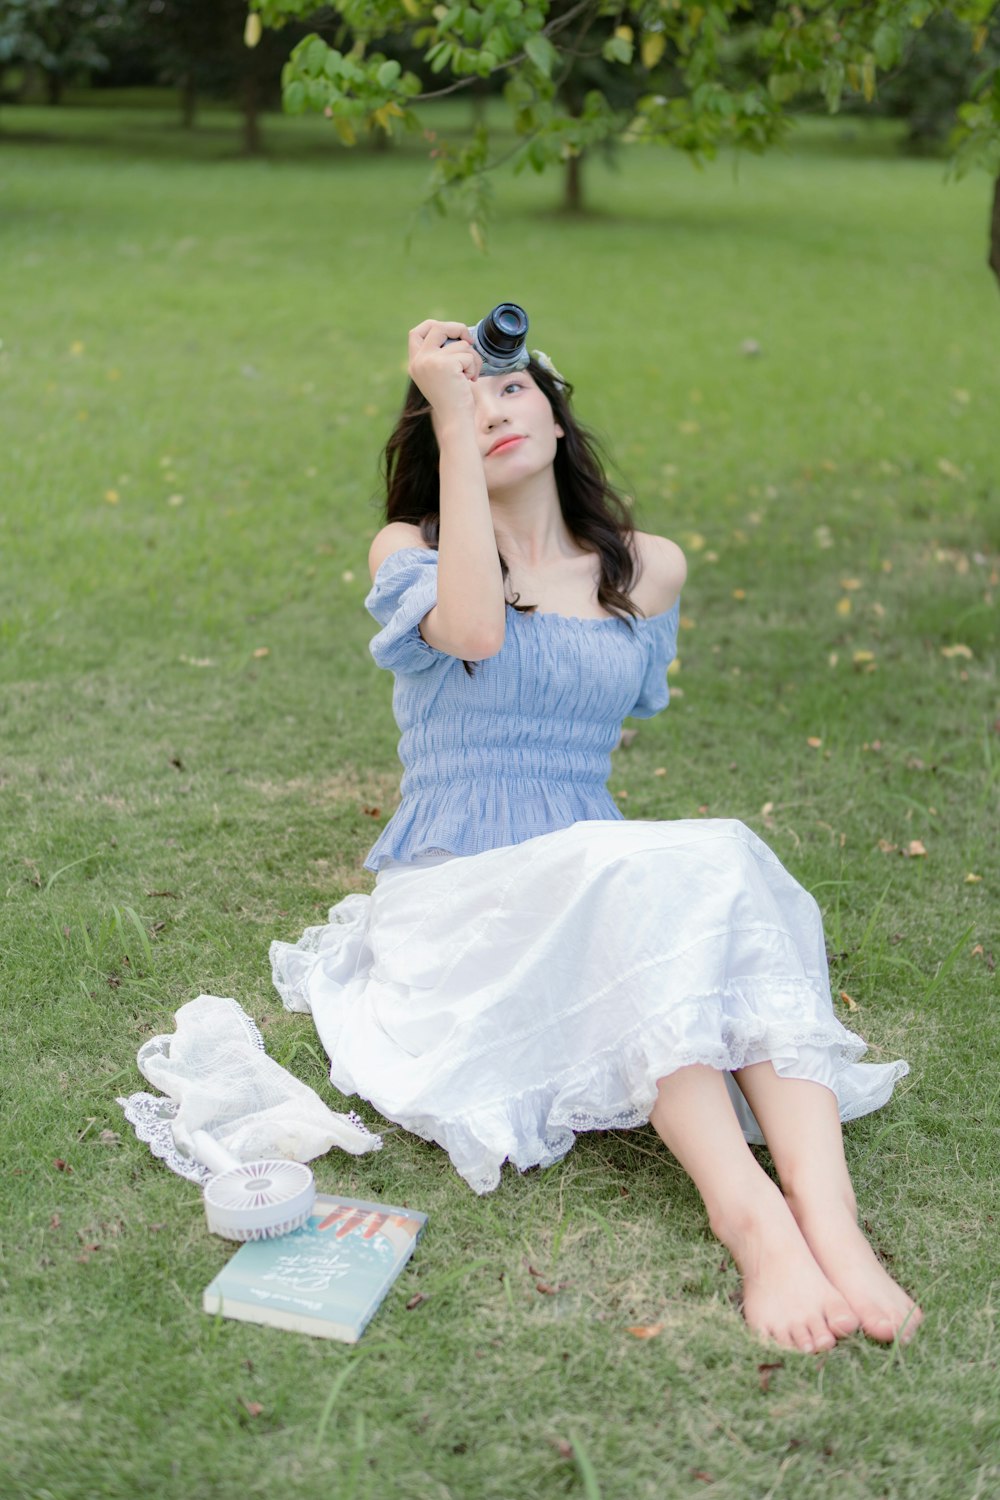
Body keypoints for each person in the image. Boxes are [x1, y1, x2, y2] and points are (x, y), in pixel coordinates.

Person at [271, 318, 923, 1353]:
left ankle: (831, 1224)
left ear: (557, 415)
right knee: (662, 872)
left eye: (511, 392)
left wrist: (457, 395)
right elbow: (478, 635)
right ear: (439, 432)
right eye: (465, 403)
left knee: (714, 858)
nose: (491, 412)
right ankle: (749, 1220)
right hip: (462, 899)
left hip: (601, 879)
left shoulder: (645, 569)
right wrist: (444, 411)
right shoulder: (415, 553)